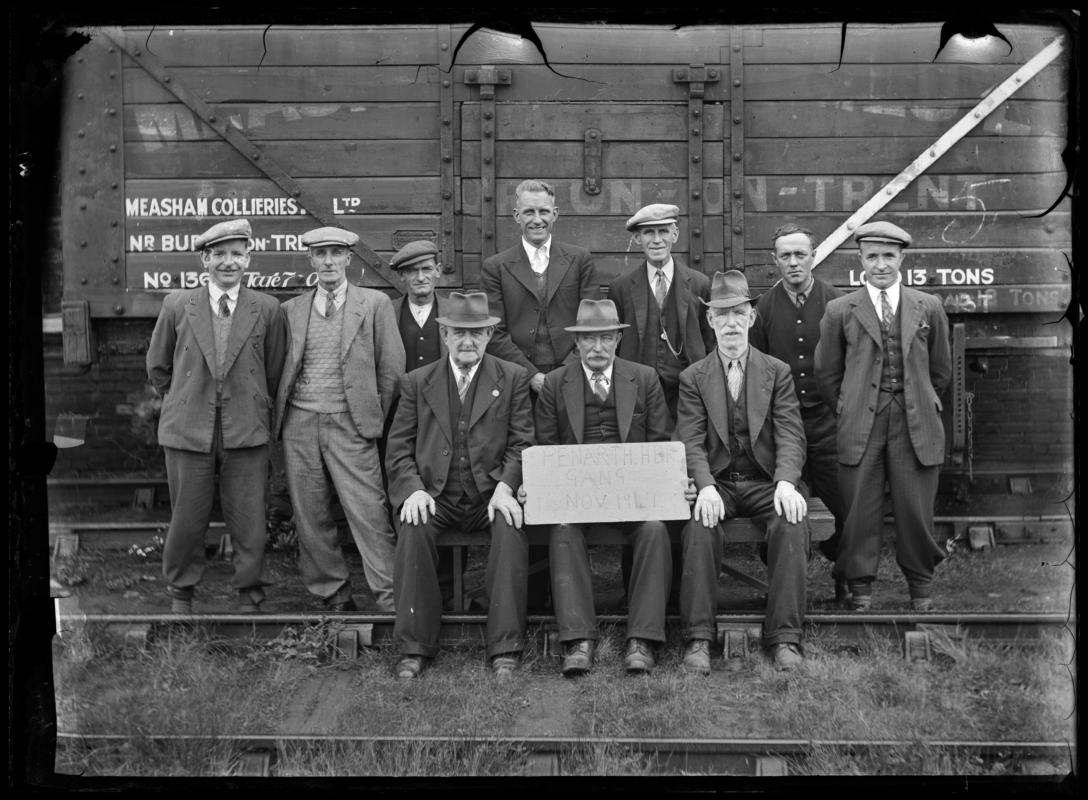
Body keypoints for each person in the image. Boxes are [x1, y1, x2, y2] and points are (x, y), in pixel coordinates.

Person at [386, 292, 534, 680]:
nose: (467, 341)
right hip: (438, 496)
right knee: (413, 527)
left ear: (489, 334)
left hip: (490, 494)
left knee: (511, 527)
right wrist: (413, 489)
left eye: (476, 333)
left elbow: (523, 443)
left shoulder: (513, 377)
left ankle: (504, 647)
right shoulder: (417, 382)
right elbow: (398, 448)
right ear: (445, 334)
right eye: (458, 333)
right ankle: (414, 648)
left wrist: (506, 485)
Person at [146, 218, 288, 614]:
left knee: (249, 519)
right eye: (220, 255)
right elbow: (158, 367)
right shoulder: (178, 304)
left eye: (237, 254)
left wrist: (253, 402)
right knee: (187, 517)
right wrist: (183, 399)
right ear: (204, 260)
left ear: (249, 259)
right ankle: (181, 594)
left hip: (246, 427)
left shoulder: (267, 308)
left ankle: (250, 594)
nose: (229, 262)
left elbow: (272, 370)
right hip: (188, 428)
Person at [532, 299, 674, 676]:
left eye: (606, 338)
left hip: (632, 493)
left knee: (655, 530)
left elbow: (660, 443)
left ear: (617, 341)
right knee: (562, 530)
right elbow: (545, 447)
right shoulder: (555, 384)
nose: (597, 348)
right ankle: (578, 640)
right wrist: (540, 486)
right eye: (589, 340)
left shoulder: (643, 378)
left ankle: (641, 639)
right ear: (576, 344)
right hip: (577, 494)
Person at [677, 270, 809, 673]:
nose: (731, 323)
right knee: (699, 527)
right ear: (710, 321)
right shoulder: (693, 377)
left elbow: (790, 434)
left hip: (764, 482)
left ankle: (784, 637)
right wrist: (704, 487)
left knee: (791, 521)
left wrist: (786, 481)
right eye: (721, 314)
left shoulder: (777, 371)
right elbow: (691, 441)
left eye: (738, 313)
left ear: (752, 318)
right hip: (718, 483)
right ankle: (699, 638)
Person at [815, 221, 951, 612]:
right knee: (859, 510)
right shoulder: (841, 309)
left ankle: (921, 588)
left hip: (916, 423)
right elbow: (827, 373)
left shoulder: (928, 306)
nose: (880, 265)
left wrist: (921, 400)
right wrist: (848, 406)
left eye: (888, 256)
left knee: (915, 510)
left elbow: (939, 370)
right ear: (860, 259)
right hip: (861, 423)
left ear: (901, 259)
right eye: (872, 256)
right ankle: (861, 590)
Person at [274, 226, 404, 613]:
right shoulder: (290, 310)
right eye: (320, 254)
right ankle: (333, 594)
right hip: (300, 421)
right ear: (311, 260)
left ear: (349, 258)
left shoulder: (374, 303)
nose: (328, 261)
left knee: (368, 511)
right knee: (310, 513)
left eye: (335, 253)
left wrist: (371, 414)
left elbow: (392, 368)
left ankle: (392, 598)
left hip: (351, 423)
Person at [481, 178, 597, 609]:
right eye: (528, 212)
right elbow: (493, 329)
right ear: (515, 217)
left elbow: (587, 323)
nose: (536, 219)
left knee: (566, 475)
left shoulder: (579, 260)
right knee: (527, 477)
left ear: (555, 215)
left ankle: (570, 584)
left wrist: (566, 374)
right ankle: (531, 593)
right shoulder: (497, 265)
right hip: (520, 386)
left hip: (570, 382)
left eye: (543, 211)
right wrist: (532, 376)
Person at [749, 223, 848, 602]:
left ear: (813, 256)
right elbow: (757, 369)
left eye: (800, 254)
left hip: (828, 424)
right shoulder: (763, 309)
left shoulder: (837, 303)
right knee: (781, 504)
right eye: (785, 256)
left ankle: (845, 577)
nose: (793, 263)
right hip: (784, 429)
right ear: (775, 261)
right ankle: (785, 582)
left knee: (848, 505)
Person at [608, 203, 714, 421]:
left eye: (663, 231)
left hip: (687, 393)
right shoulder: (621, 288)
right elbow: (614, 346)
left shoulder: (699, 284)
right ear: (637, 238)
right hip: (638, 394)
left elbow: (710, 340)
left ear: (674, 235)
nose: (656, 240)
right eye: (648, 233)